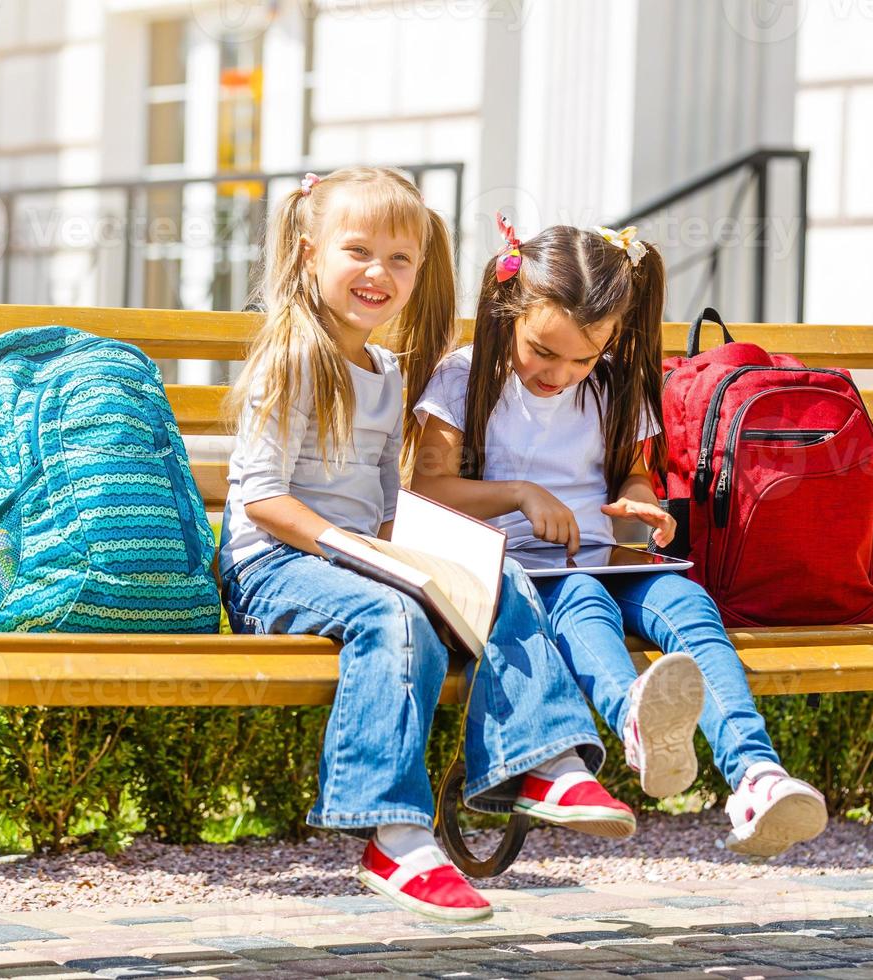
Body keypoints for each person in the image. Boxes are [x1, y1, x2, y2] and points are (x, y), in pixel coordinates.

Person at [218, 171, 633, 922]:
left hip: (352, 558)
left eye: (400, 258)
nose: (379, 272)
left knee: (496, 575)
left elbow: (387, 512)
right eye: (359, 251)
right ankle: (396, 834)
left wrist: (435, 559)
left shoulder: (386, 372)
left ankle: (545, 760)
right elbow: (261, 500)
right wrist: (356, 549)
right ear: (310, 254)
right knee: (398, 619)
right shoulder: (293, 356)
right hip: (275, 567)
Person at [411, 216, 829, 857]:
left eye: (584, 356)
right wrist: (521, 495)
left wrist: (642, 506)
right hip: (526, 572)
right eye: (544, 351)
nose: (563, 373)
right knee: (582, 597)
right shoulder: (465, 377)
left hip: (609, 558)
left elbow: (633, 476)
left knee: (690, 603)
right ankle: (635, 714)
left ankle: (755, 775)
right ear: (509, 310)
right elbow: (427, 488)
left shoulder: (609, 383)